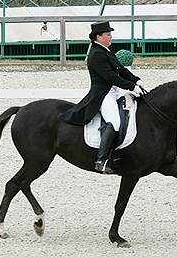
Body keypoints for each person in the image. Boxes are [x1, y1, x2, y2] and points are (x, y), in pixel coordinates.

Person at [60, 21, 146, 174]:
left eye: (110, 34)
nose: (110, 36)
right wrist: (131, 86)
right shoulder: (96, 55)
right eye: (108, 34)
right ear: (98, 37)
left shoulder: (106, 50)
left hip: (114, 91)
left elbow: (120, 69)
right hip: (102, 94)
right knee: (115, 122)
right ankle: (102, 159)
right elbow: (111, 76)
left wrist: (136, 80)